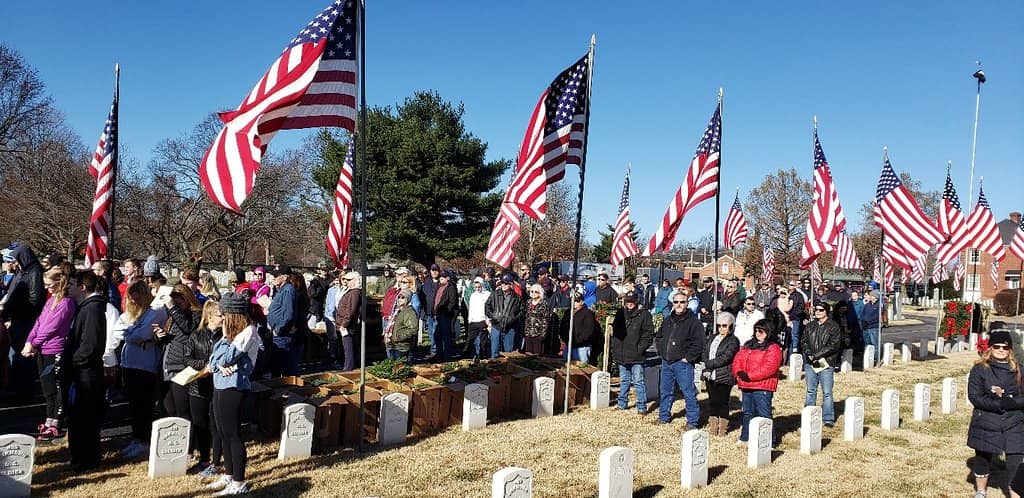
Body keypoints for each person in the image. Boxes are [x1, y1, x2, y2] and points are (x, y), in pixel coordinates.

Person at [206, 292, 260, 495]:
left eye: (224, 314)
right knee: (222, 432)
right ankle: (228, 474)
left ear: (233, 315)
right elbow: (213, 359)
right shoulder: (229, 335)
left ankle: (239, 482)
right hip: (220, 385)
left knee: (233, 434)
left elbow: (227, 358)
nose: (221, 318)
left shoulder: (248, 332)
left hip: (234, 388)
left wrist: (221, 361)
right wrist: (219, 362)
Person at [967, 330, 1024, 498]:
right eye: (997, 346)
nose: (1001, 349)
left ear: (1010, 349)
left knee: (1016, 464)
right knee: (983, 459)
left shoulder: (1020, 370)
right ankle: (981, 491)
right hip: (986, 420)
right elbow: (975, 397)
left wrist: (1011, 402)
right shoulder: (980, 369)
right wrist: (999, 403)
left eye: (1005, 347)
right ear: (990, 348)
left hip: (1014, 423)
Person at [117, 280, 169, 459]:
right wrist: (131, 334)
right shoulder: (132, 314)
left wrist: (131, 334)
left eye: (138, 299)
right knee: (133, 404)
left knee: (143, 405)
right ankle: (137, 437)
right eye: (132, 300)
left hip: (145, 364)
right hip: (129, 362)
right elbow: (120, 330)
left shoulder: (155, 313)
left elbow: (144, 333)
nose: (134, 303)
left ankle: (144, 440)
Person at [23, 267, 76, 439]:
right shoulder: (51, 300)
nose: (47, 288)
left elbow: (51, 327)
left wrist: (35, 343)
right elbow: (40, 322)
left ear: (59, 283)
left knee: (56, 388)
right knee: (47, 388)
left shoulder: (66, 303)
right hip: (43, 349)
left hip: (56, 350)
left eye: (50, 285)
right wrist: (30, 340)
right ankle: (49, 418)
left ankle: (57, 421)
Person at [64, 270, 108, 470]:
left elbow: (89, 346)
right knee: (77, 418)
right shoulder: (83, 308)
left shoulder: (92, 310)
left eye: (72, 284)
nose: (67, 287)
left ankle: (88, 459)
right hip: (79, 372)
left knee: (86, 418)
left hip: (87, 374)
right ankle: (78, 456)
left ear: (83, 287)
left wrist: (71, 361)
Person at [1, 244, 46, 402]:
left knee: (21, 358)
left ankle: (23, 393)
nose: (13, 263)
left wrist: (14, 310)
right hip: (16, 319)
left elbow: (35, 299)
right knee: (14, 357)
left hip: (26, 321)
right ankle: (15, 389)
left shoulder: (35, 272)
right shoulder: (22, 271)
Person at [655, 292, 706, 427]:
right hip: (667, 362)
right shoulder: (667, 320)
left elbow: (699, 343)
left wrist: (688, 358)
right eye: (676, 302)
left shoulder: (694, 322)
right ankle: (663, 416)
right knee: (665, 391)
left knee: (688, 392)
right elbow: (659, 337)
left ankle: (692, 421)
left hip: (682, 364)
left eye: (682, 302)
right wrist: (662, 352)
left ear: (687, 304)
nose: (678, 305)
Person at [185, 300, 223, 477]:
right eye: (219, 315)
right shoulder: (196, 335)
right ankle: (204, 458)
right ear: (209, 317)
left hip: (217, 385)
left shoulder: (225, 336)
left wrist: (213, 367)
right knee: (200, 423)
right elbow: (188, 358)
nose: (223, 318)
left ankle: (216, 460)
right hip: (198, 386)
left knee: (216, 424)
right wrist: (204, 366)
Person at [732, 318, 783, 446]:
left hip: (762, 386)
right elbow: (738, 359)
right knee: (747, 413)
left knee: (763, 413)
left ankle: (769, 441)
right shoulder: (749, 345)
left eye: (761, 331)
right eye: (756, 330)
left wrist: (749, 376)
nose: (757, 333)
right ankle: (745, 437)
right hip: (746, 385)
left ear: (768, 332)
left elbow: (769, 367)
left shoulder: (773, 347)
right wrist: (738, 373)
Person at [156, 284, 200, 419]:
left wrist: (173, 308)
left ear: (187, 299)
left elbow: (187, 328)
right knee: (168, 409)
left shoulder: (196, 315)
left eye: (179, 303)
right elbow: (175, 339)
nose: (176, 306)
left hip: (181, 368)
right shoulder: (173, 317)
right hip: (167, 366)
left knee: (183, 411)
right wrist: (162, 336)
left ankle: (190, 439)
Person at [611, 292, 654, 413]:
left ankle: (641, 407)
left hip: (636, 355)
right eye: (628, 301)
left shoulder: (644, 315)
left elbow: (648, 335)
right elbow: (616, 333)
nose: (630, 303)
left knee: (638, 381)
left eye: (632, 301)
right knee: (624, 380)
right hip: (622, 353)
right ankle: (622, 403)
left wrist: (639, 349)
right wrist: (616, 348)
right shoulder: (620, 313)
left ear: (637, 301)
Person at [801, 302, 842, 427]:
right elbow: (804, 341)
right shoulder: (810, 326)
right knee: (810, 390)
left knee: (827, 392)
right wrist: (809, 354)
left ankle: (828, 418)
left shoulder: (833, 326)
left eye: (820, 310)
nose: (817, 312)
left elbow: (834, 345)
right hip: (810, 363)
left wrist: (817, 355)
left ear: (826, 311)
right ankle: (809, 415)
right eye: (816, 310)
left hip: (826, 362)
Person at [703, 311, 741, 436]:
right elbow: (705, 350)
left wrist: (709, 363)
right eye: (719, 325)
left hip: (724, 375)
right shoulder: (713, 337)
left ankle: (723, 429)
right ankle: (713, 426)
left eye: (724, 325)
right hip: (710, 375)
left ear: (731, 326)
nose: (721, 328)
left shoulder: (733, 340)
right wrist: (706, 361)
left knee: (723, 402)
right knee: (713, 401)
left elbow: (727, 357)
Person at [266, 265, 299, 376]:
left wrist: (278, 329)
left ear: (285, 277)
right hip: (277, 333)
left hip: (282, 334)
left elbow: (288, 315)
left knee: (280, 364)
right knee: (277, 363)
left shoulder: (288, 290)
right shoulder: (281, 289)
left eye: (276, 276)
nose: (273, 278)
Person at [486, 274, 523, 358]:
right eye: (502, 282)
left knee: (509, 353)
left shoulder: (517, 298)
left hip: (510, 328)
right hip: (496, 326)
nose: (503, 285)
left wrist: (513, 319)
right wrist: (493, 316)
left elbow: (521, 312)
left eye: (506, 283)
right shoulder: (494, 294)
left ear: (510, 284)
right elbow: (487, 306)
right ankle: (493, 370)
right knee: (494, 352)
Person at [335, 271, 362, 371]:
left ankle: (348, 368)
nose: (347, 282)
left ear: (355, 281)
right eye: (346, 280)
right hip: (345, 324)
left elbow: (351, 310)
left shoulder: (354, 293)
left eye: (349, 280)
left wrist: (344, 324)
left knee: (348, 347)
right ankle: (348, 366)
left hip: (348, 325)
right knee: (347, 346)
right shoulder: (352, 292)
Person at [560, 292, 598, 363]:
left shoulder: (587, 313)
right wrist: (565, 338)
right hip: (568, 346)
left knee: (582, 370)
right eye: (572, 300)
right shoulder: (568, 312)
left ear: (582, 302)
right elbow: (563, 326)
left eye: (577, 301)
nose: (574, 302)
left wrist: (579, 340)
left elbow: (589, 330)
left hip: (581, 348)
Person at [432, 270, 459, 360]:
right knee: (437, 335)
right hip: (438, 314)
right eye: (440, 277)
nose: (441, 278)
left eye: (443, 277)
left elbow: (452, 301)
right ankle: (439, 354)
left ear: (448, 278)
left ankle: (447, 356)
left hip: (445, 315)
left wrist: (446, 312)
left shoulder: (451, 287)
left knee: (446, 336)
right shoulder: (439, 287)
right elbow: (436, 299)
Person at [385, 289, 417, 362]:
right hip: (393, 344)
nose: (400, 299)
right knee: (394, 368)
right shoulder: (397, 310)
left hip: (402, 346)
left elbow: (413, 330)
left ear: (407, 299)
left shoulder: (410, 312)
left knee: (401, 369)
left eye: (403, 298)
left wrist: (398, 337)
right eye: (399, 297)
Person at [417, 264, 442, 360]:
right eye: (433, 270)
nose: (434, 272)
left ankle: (437, 351)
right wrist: (424, 309)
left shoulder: (441, 282)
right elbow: (423, 297)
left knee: (437, 332)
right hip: (429, 312)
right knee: (431, 333)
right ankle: (433, 350)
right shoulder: (427, 283)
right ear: (430, 271)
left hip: (438, 313)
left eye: (436, 270)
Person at [463, 278, 491, 359]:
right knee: (470, 340)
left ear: (482, 285)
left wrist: (487, 320)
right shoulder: (473, 295)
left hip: (483, 320)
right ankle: (469, 356)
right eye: (476, 287)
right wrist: (470, 320)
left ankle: (483, 356)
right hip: (473, 321)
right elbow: (471, 308)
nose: (477, 289)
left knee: (483, 341)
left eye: (479, 287)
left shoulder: (487, 294)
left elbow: (488, 308)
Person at [522, 284, 552, 354]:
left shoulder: (544, 304)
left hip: (538, 333)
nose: (533, 293)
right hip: (528, 332)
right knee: (528, 354)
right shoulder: (528, 302)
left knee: (537, 355)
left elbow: (545, 320)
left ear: (540, 293)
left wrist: (542, 335)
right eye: (532, 291)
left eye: (536, 292)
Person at [860, 291, 881, 365]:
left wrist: (869, 322)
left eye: (871, 296)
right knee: (867, 344)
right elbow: (862, 314)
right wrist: (863, 322)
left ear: (875, 297)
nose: (870, 297)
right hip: (865, 328)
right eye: (870, 296)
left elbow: (878, 317)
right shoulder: (867, 305)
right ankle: (867, 358)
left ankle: (875, 359)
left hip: (874, 327)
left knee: (875, 343)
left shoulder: (879, 305)